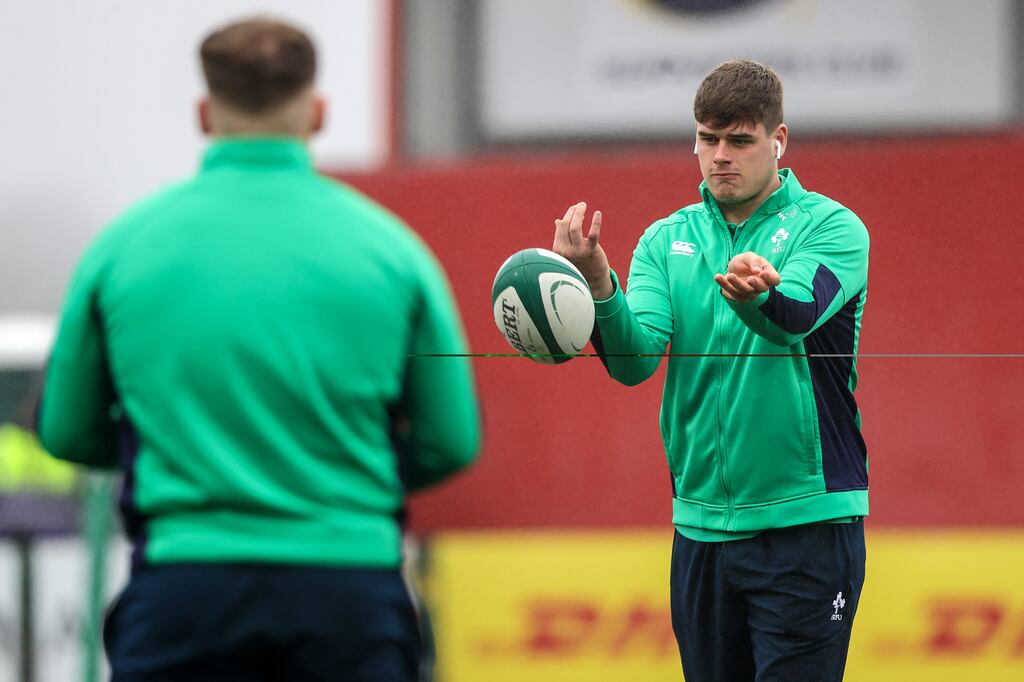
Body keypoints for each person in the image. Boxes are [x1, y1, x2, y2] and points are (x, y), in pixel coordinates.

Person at [37, 16, 480, 681]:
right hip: (350, 597)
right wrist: (343, 479)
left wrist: (174, 457)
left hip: (183, 591)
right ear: (319, 112)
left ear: (204, 114)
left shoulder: (122, 247)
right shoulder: (393, 251)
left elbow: (67, 430)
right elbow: (452, 440)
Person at [552, 59, 869, 681]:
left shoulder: (832, 226)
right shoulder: (663, 239)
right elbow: (634, 361)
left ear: (778, 141)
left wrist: (756, 297)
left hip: (806, 523)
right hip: (699, 529)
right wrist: (597, 286)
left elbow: (795, 316)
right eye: (708, 138)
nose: (720, 155)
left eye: (740, 140)